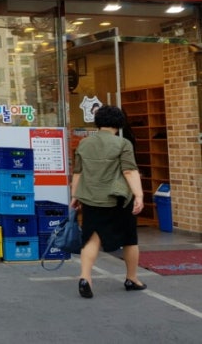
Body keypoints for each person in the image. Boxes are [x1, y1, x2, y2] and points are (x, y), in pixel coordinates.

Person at [70, 105, 146, 299]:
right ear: (119, 123)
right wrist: (138, 195)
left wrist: (75, 196)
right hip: (118, 199)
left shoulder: (84, 143)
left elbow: (78, 172)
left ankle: (85, 278)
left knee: (92, 238)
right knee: (129, 238)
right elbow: (129, 171)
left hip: (92, 198)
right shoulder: (123, 144)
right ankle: (131, 278)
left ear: (98, 122)